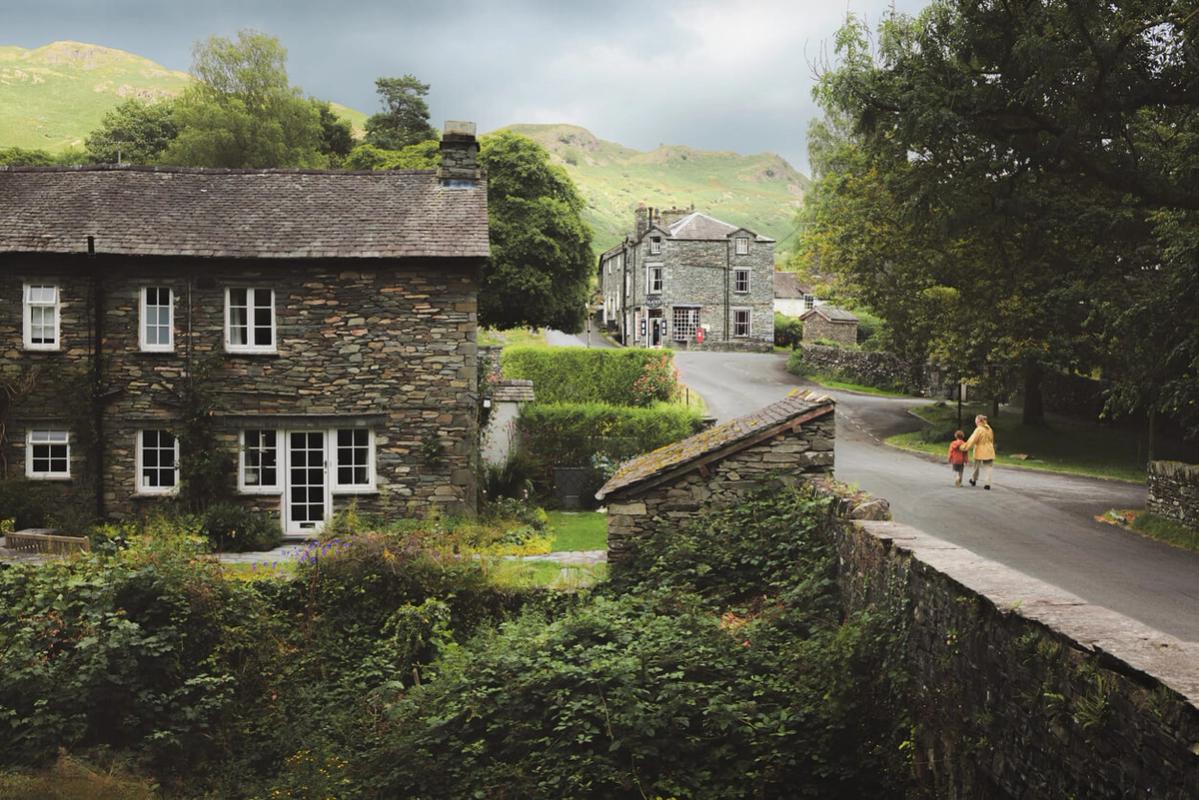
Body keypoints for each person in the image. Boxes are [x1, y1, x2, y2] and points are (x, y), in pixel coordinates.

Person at [962, 414, 996, 489]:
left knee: (976, 466)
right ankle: (987, 484)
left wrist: (964, 447)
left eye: (976, 420)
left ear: (979, 421)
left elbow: (972, 440)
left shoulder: (979, 429)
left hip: (980, 450)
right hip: (989, 450)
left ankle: (973, 480)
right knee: (988, 467)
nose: (975, 422)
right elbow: (992, 440)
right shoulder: (989, 429)